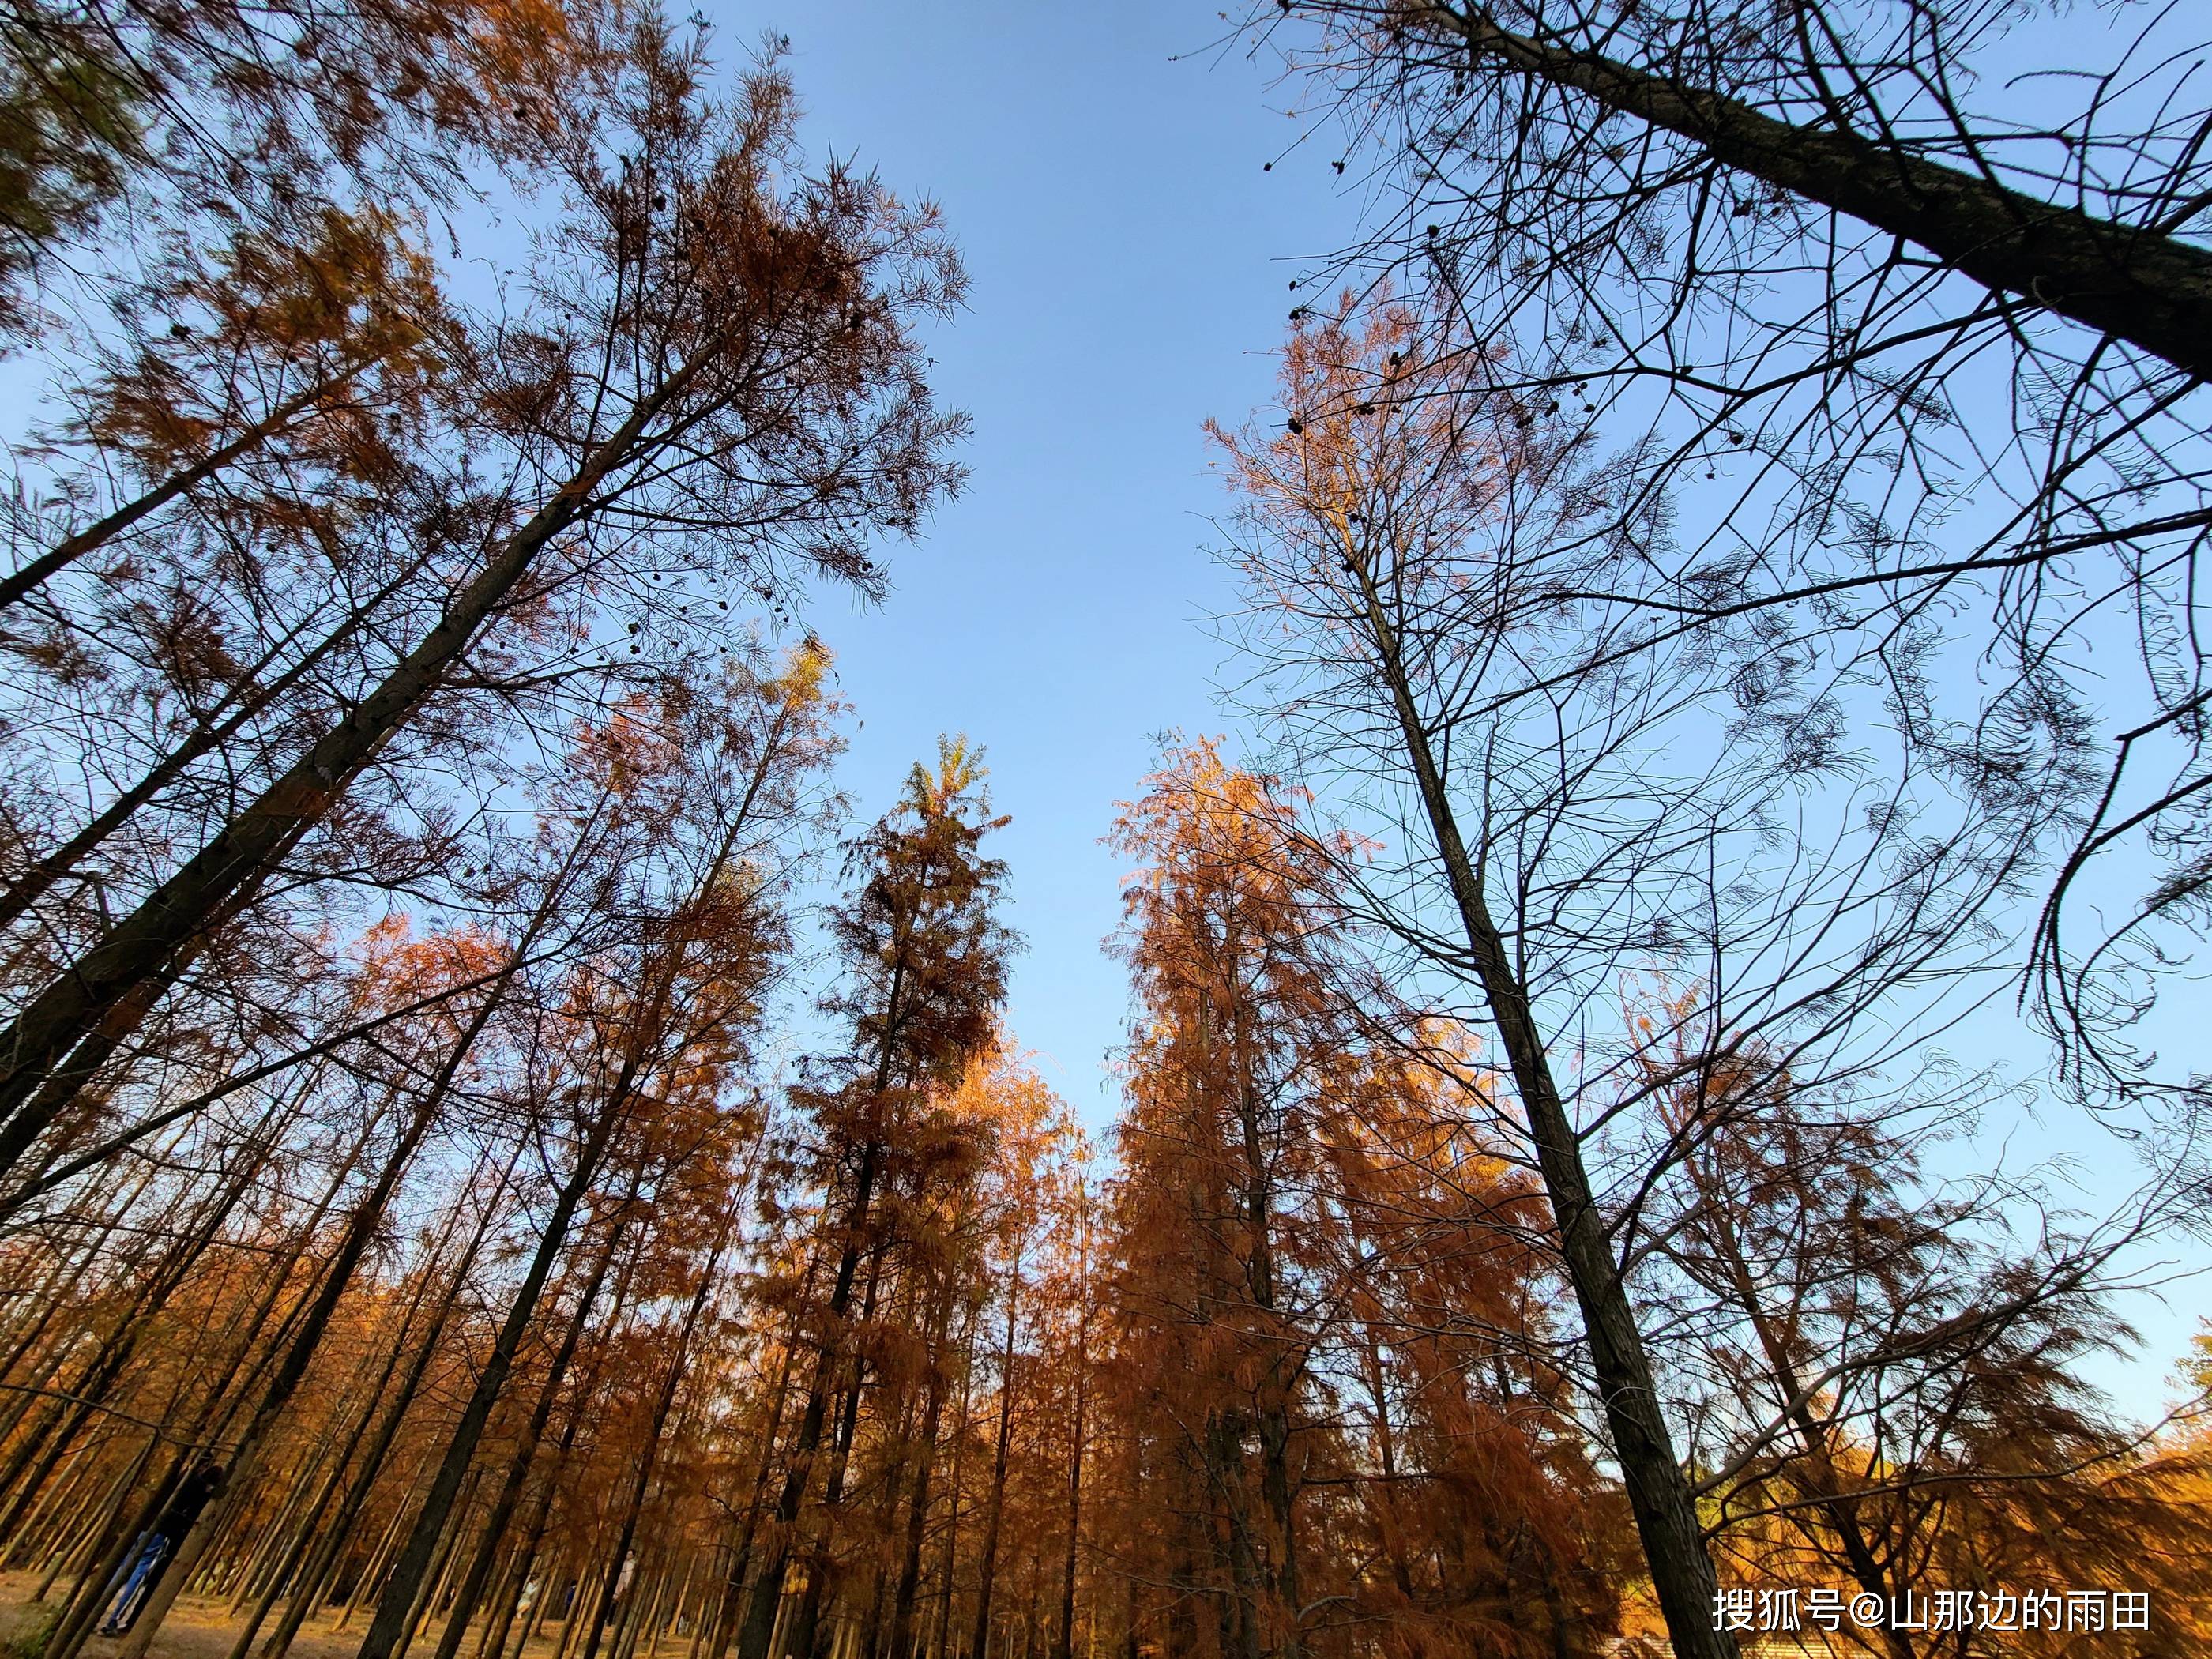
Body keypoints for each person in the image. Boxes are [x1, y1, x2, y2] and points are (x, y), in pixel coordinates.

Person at [96, 1459, 224, 1636]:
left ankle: (98, 1609)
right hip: (163, 1534)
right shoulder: (198, 1489)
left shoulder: (181, 1478)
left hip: (148, 1529)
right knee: (140, 1575)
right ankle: (114, 1619)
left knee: (125, 1568)